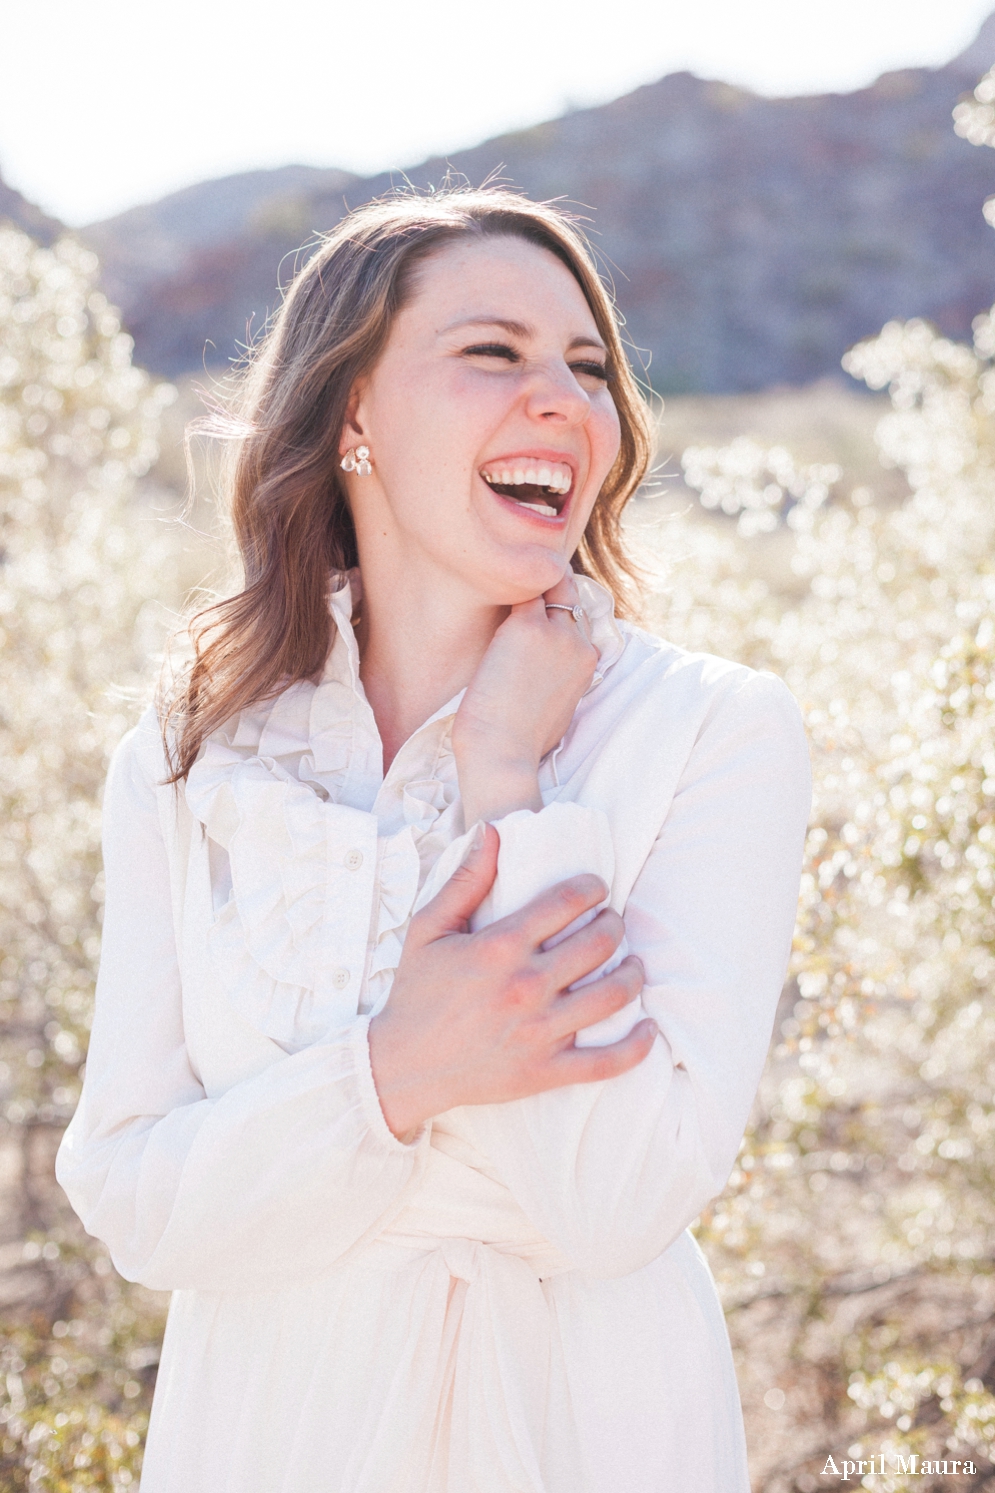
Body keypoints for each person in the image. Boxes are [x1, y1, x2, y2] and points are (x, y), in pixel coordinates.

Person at [56, 188, 811, 1493]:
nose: (567, 402)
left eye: (588, 367)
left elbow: (619, 1200)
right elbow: (130, 1190)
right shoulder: (194, 753)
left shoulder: (710, 730)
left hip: (585, 1435)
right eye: (493, 353)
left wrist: (507, 784)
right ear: (353, 412)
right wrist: (392, 1078)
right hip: (271, 1435)